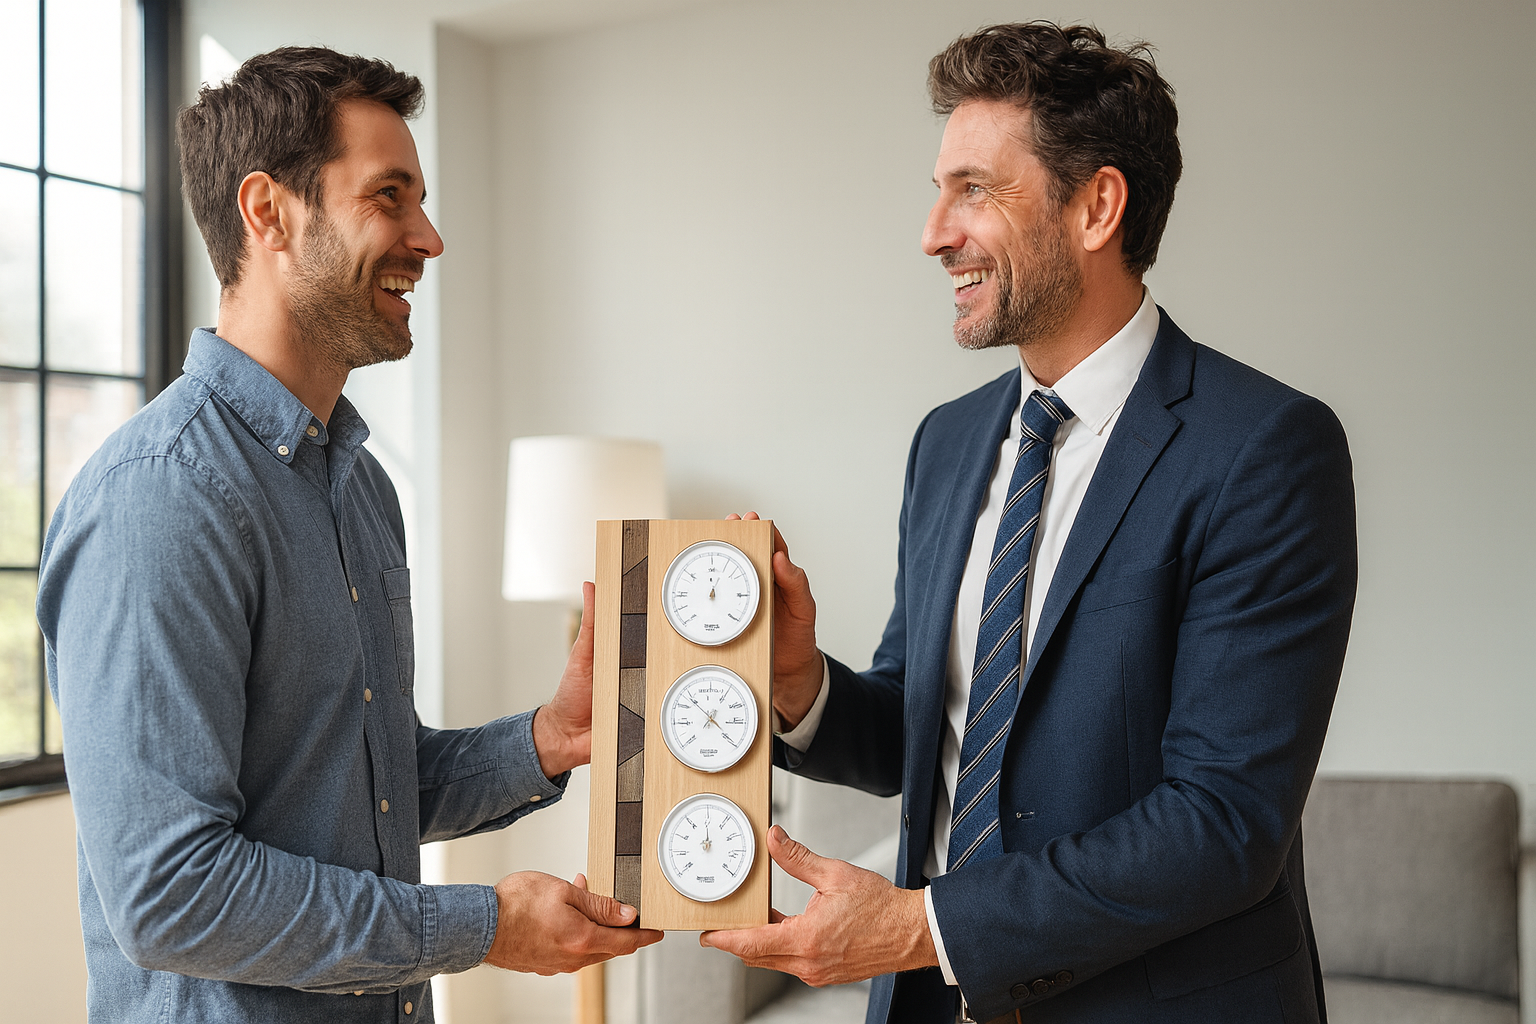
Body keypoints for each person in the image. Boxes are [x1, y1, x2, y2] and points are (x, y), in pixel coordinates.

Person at [702, 22, 1356, 1024]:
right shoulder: (949, 443)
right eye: (937, 190)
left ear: (1097, 206)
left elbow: (1225, 822)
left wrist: (923, 927)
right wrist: (804, 688)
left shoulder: (1264, 449)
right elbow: (926, 728)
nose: (933, 232)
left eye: (974, 189)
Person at [36, 46, 659, 1022]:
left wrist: (553, 736)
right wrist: (481, 924)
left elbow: (372, 788)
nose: (431, 237)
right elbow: (171, 894)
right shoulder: (158, 500)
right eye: (390, 197)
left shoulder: (360, 486)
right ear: (268, 212)